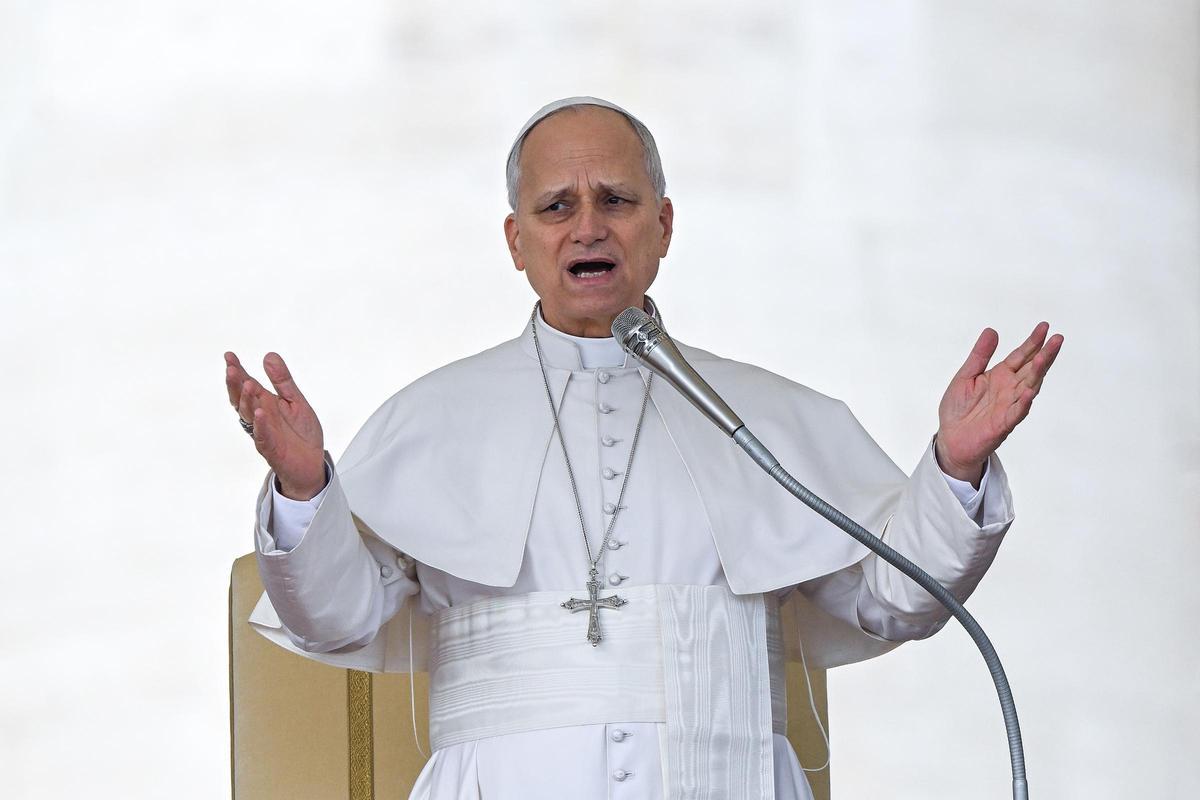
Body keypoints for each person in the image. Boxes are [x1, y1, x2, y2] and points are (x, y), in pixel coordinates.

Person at [224, 97, 1062, 799]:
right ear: (516, 242)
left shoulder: (764, 417)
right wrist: (305, 492)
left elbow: (896, 599)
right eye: (556, 206)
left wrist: (954, 469)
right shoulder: (432, 418)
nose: (587, 226)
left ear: (662, 226)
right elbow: (337, 621)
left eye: (615, 201)